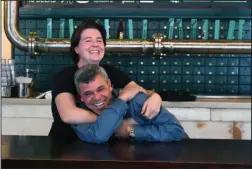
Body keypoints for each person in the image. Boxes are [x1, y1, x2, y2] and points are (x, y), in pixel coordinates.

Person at [49, 19, 163, 142]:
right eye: (88, 41)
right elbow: (68, 114)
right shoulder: (64, 76)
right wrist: (113, 120)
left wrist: (156, 96)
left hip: (104, 148)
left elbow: (136, 90)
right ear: (76, 48)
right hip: (66, 147)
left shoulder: (110, 72)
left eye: (99, 40)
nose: (95, 44)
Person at [71, 64, 185, 144]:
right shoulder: (77, 116)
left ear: (110, 85)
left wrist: (132, 131)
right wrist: (121, 100)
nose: (97, 97)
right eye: (88, 94)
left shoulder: (136, 100)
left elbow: (176, 131)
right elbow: (99, 135)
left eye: (101, 89)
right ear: (81, 97)